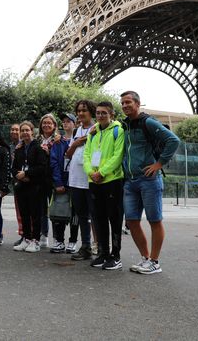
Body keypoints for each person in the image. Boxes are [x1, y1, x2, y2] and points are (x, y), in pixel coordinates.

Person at [120, 91, 180, 275]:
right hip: (130, 180)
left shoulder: (148, 122)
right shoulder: (125, 125)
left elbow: (173, 139)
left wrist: (159, 164)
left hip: (149, 179)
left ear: (138, 103)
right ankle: (146, 258)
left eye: (128, 102)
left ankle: (155, 261)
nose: (124, 106)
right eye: (122, 103)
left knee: (154, 220)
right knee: (131, 220)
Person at [83, 102, 125, 270]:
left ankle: (115, 256)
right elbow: (86, 155)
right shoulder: (92, 133)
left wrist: (101, 172)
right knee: (99, 219)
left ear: (111, 115)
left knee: (114, 219)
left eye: (104, 113)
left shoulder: (118, 131)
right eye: (98, 113)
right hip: (94, 181)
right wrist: (90, 173)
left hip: (111, 181)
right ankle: (103, 253)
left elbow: (118, 156)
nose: (100, 116)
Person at [65, 101, 96, 260]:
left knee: (95, 215)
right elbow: (68, 154)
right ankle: (86, 247)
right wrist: (77, 142)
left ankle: (100, 247)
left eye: (84, 110)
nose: (81, 113)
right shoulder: (77, 131)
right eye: (79, 111)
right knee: (82, 215)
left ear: (91, 111)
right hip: (75, 179)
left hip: (90, 179)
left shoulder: (97, 129)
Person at [12, 121, 48, 253]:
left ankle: (35, 241)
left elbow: (42, 167)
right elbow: (14, 167)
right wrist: (18, 175)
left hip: (35, 186)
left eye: (27, 130)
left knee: (35, 214)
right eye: (23, 131)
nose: (25, 133)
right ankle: (26, 239)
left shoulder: (38, 148)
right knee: (24, 214)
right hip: (22, 186)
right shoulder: (19, 149)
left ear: (32, 131)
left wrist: (27, 174)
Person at [49, 113, 78, 253]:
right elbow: (54, 162)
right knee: (58, 211)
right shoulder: (58, 142)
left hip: (76, 182)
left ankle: (73, 241)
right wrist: (58, 182)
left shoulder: (80, 139)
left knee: (75, 213)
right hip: (62, 182)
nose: (66, 124)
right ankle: (59, 240)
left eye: (69, 121)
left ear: (75, 123)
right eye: (64, 122)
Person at [38, 114, 58, 248]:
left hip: (53, 179)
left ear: (54, 125)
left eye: (49, 123)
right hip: (39, 179)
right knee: (41, 209)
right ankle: (43, 235)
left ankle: (57, 238)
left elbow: (60, 159)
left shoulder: (58, 140)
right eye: (44, 122)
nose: (46, 125)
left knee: (55, 210)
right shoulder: (36, 139)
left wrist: (48, 152)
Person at [9, 123, 25, 246]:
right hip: (16, 181)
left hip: (26, 180)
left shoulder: (24, 145)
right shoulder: (11, 146)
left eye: (16, 129)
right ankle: (23, 234)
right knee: (19, 210)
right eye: (12, 129)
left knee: (27, 211)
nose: (14, 132)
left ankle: (29, 235)